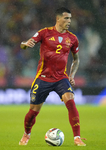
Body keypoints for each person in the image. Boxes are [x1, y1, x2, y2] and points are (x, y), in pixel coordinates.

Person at [19, 7, 86, 146]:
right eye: (66, 18)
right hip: (43, 78)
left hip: (61, 78)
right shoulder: (44, 33)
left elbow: (76, 59)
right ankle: (26, 134)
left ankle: (77, 138)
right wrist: (25, 44)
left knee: (71, 102)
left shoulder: (72, 38)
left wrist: (72, 75)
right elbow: (25, 44)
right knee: (33, 112)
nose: (69, 21)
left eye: (70, 18)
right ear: (58, 19)